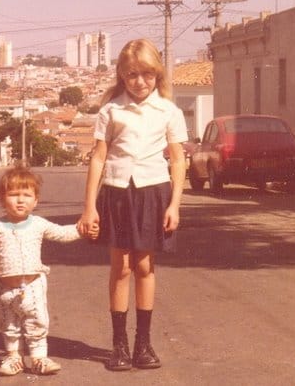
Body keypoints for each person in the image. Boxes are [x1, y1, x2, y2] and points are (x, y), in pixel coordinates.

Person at [77, 38, 187, 372]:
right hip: (117, 191)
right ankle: (119, 345)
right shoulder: (111, 110)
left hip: (153, 192)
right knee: (121, 267)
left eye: (147, 74)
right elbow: (99, 158)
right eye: (132, 75)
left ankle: (143, 344)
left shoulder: (168, 111)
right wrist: (89, 207)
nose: (140, 82)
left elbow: (178, 159)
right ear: (122, 76)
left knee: (144, 267)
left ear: (157, 74)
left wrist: (175, 205)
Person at [0, 166, 96, 376]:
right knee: (9, 326)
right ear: (2, 199)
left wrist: (83, 229)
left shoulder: (38, 224)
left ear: (36, 201)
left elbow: (62, 233)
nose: (20, 200)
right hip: (4, 289)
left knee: (37, 322)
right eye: (13, 195)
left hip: (33, 287)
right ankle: (14, 357)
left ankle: (39, 358)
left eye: (27, 195)